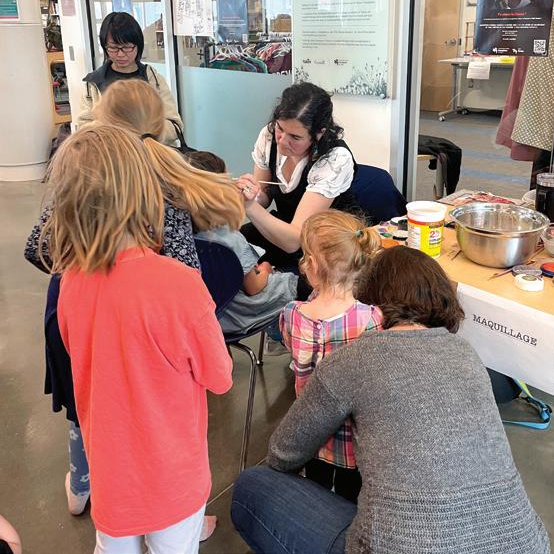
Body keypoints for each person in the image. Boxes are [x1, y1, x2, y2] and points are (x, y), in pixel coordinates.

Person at [25, 81, 243, 540]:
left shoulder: (71, 284)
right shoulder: (180, 283)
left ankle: (78, 485)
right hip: (174, 482)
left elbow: (80, 360)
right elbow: (220, 377)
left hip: (112, 479)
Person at [231, 246, 550, 554]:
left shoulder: (355, 357)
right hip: (525, 543)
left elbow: (284, 452)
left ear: (370, 298)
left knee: (253, 484)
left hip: (401, 544)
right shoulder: (466, 353)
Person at [280, 211, 383, 502]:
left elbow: (290, 348)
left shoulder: (292, 314)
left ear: (311, 265)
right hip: (354, 437)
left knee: (316, 495)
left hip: (310, 431)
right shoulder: (372, 319)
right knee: (351, 499)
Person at [236, 82, 357, 267]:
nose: (282, 141)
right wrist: (249, 194)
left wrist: (249, 206)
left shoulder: (334, 159)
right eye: (280, 128)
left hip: (326, 242)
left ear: (319, 134)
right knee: (232, 247)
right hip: (286, 226)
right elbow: (265, 194)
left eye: (295, 137)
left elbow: (294, 241)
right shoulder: (269, 136)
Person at [189, 150, 298, 334]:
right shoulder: (230, 239)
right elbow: (254, 287)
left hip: (203, 314)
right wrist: (265, 269)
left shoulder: (177, 235)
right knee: (298, 283)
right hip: (235, 315)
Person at [77, 12, 184, 146]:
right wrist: (110, 128)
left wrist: (145, 133)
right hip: (113, 154)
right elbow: (83, 130)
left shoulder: (153, 79)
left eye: (127, 47)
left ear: (138, 45)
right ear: (105, 47)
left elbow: (175, 125)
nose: (120, 54)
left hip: (152, 154)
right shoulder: (93, 83)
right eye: (113, 48)